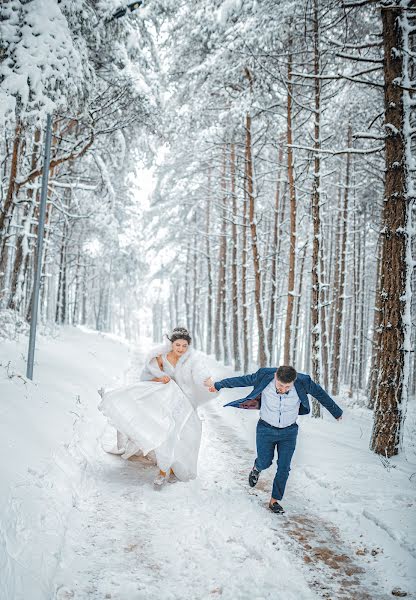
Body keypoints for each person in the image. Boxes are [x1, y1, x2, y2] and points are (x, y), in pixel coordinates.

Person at [204, 365, 342, 514]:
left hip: (289, 432)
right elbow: (242, 380)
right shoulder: (265, 375)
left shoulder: (303, 381)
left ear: (294, 381)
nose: (283, 389)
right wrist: (218, 385)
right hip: (265, 429)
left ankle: (274, 500)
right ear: (276, 376)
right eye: (280, 385)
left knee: (284, 467)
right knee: (265, 461)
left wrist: (336, 412)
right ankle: (257, 467)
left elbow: (320, 394)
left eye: (287, 386)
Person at [99, 327, 216, 487]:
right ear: (171, 344)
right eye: (178, 345)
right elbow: (145, 378)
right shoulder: (160, 358)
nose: (181, 349)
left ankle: (175, 464)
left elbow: (201, 372)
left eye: (184, 346)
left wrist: (208, 381)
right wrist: (160, 380)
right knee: (165, 433)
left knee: (186, 435)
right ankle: (163, 471)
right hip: (163, 401)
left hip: (183, 404)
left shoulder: (192, 360)